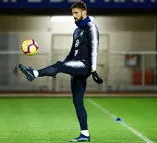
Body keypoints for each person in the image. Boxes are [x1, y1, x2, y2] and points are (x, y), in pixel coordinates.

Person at [18, 1, 103, 142]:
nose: (74, 16)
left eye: (76, 13)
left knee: (59, 65)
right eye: (73, 14)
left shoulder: (91, 27)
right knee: (77, 102)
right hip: (77, 65)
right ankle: (85, 135)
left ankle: (34, 74)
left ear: (84, 12)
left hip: (85, 66)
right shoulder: (77, 31)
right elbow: (71, 54)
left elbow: (95, 48)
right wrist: (63, 65)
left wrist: (93, 70)